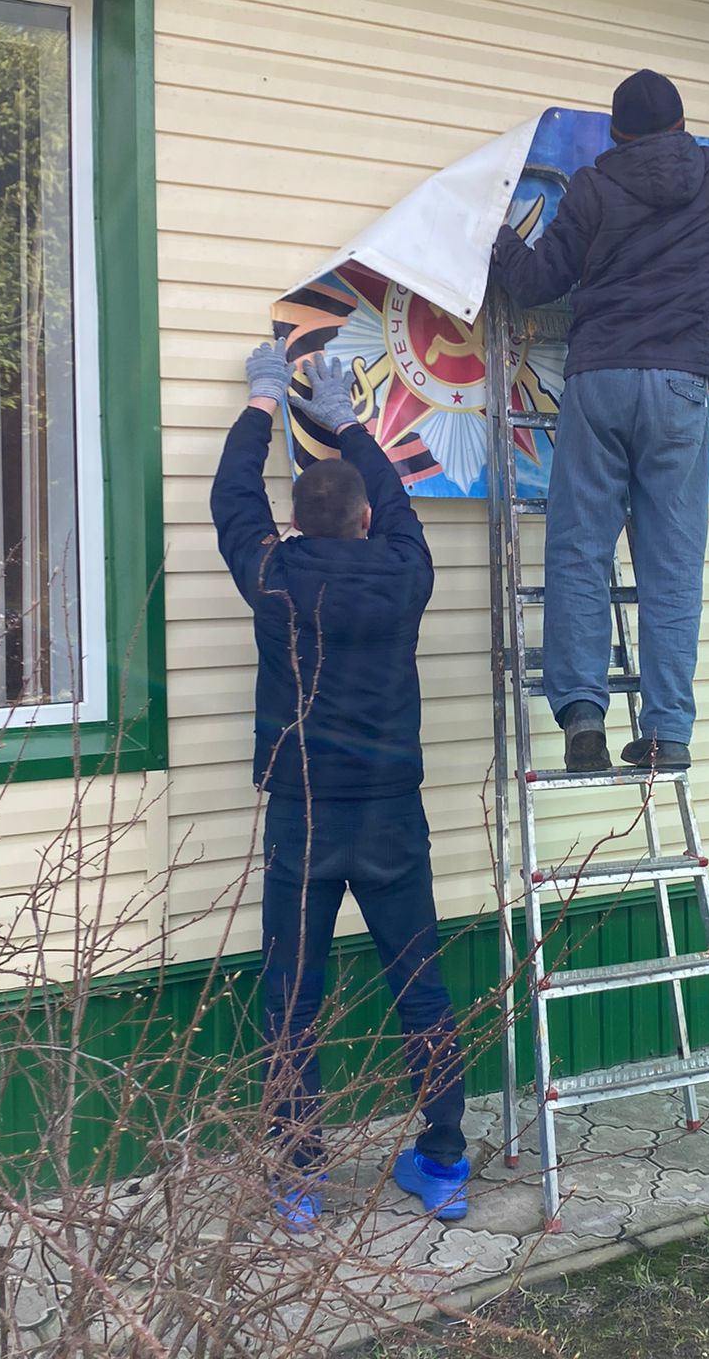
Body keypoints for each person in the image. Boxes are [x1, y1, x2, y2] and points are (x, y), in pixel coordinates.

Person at [211, 342, 468, 1228]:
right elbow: (398, 501)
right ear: (362, 522)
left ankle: (300, 1175)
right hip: (393, 810)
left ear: (295, 525)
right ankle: (441, 1163)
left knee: (294, 991)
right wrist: (348, 418)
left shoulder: (275, 577)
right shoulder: (404, 572)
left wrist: (260, 401)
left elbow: (230, 500)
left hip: (305, 816)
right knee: (420, 983)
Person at [492, 69, 709, 773]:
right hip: (681, 386)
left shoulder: (593, 186)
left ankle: (584, 719)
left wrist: (495, 238)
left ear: (618, 134)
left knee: (578, 551)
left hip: (601, 379)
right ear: (682, 126)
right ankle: (667, 732)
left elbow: (535, 283)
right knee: (672, 566)